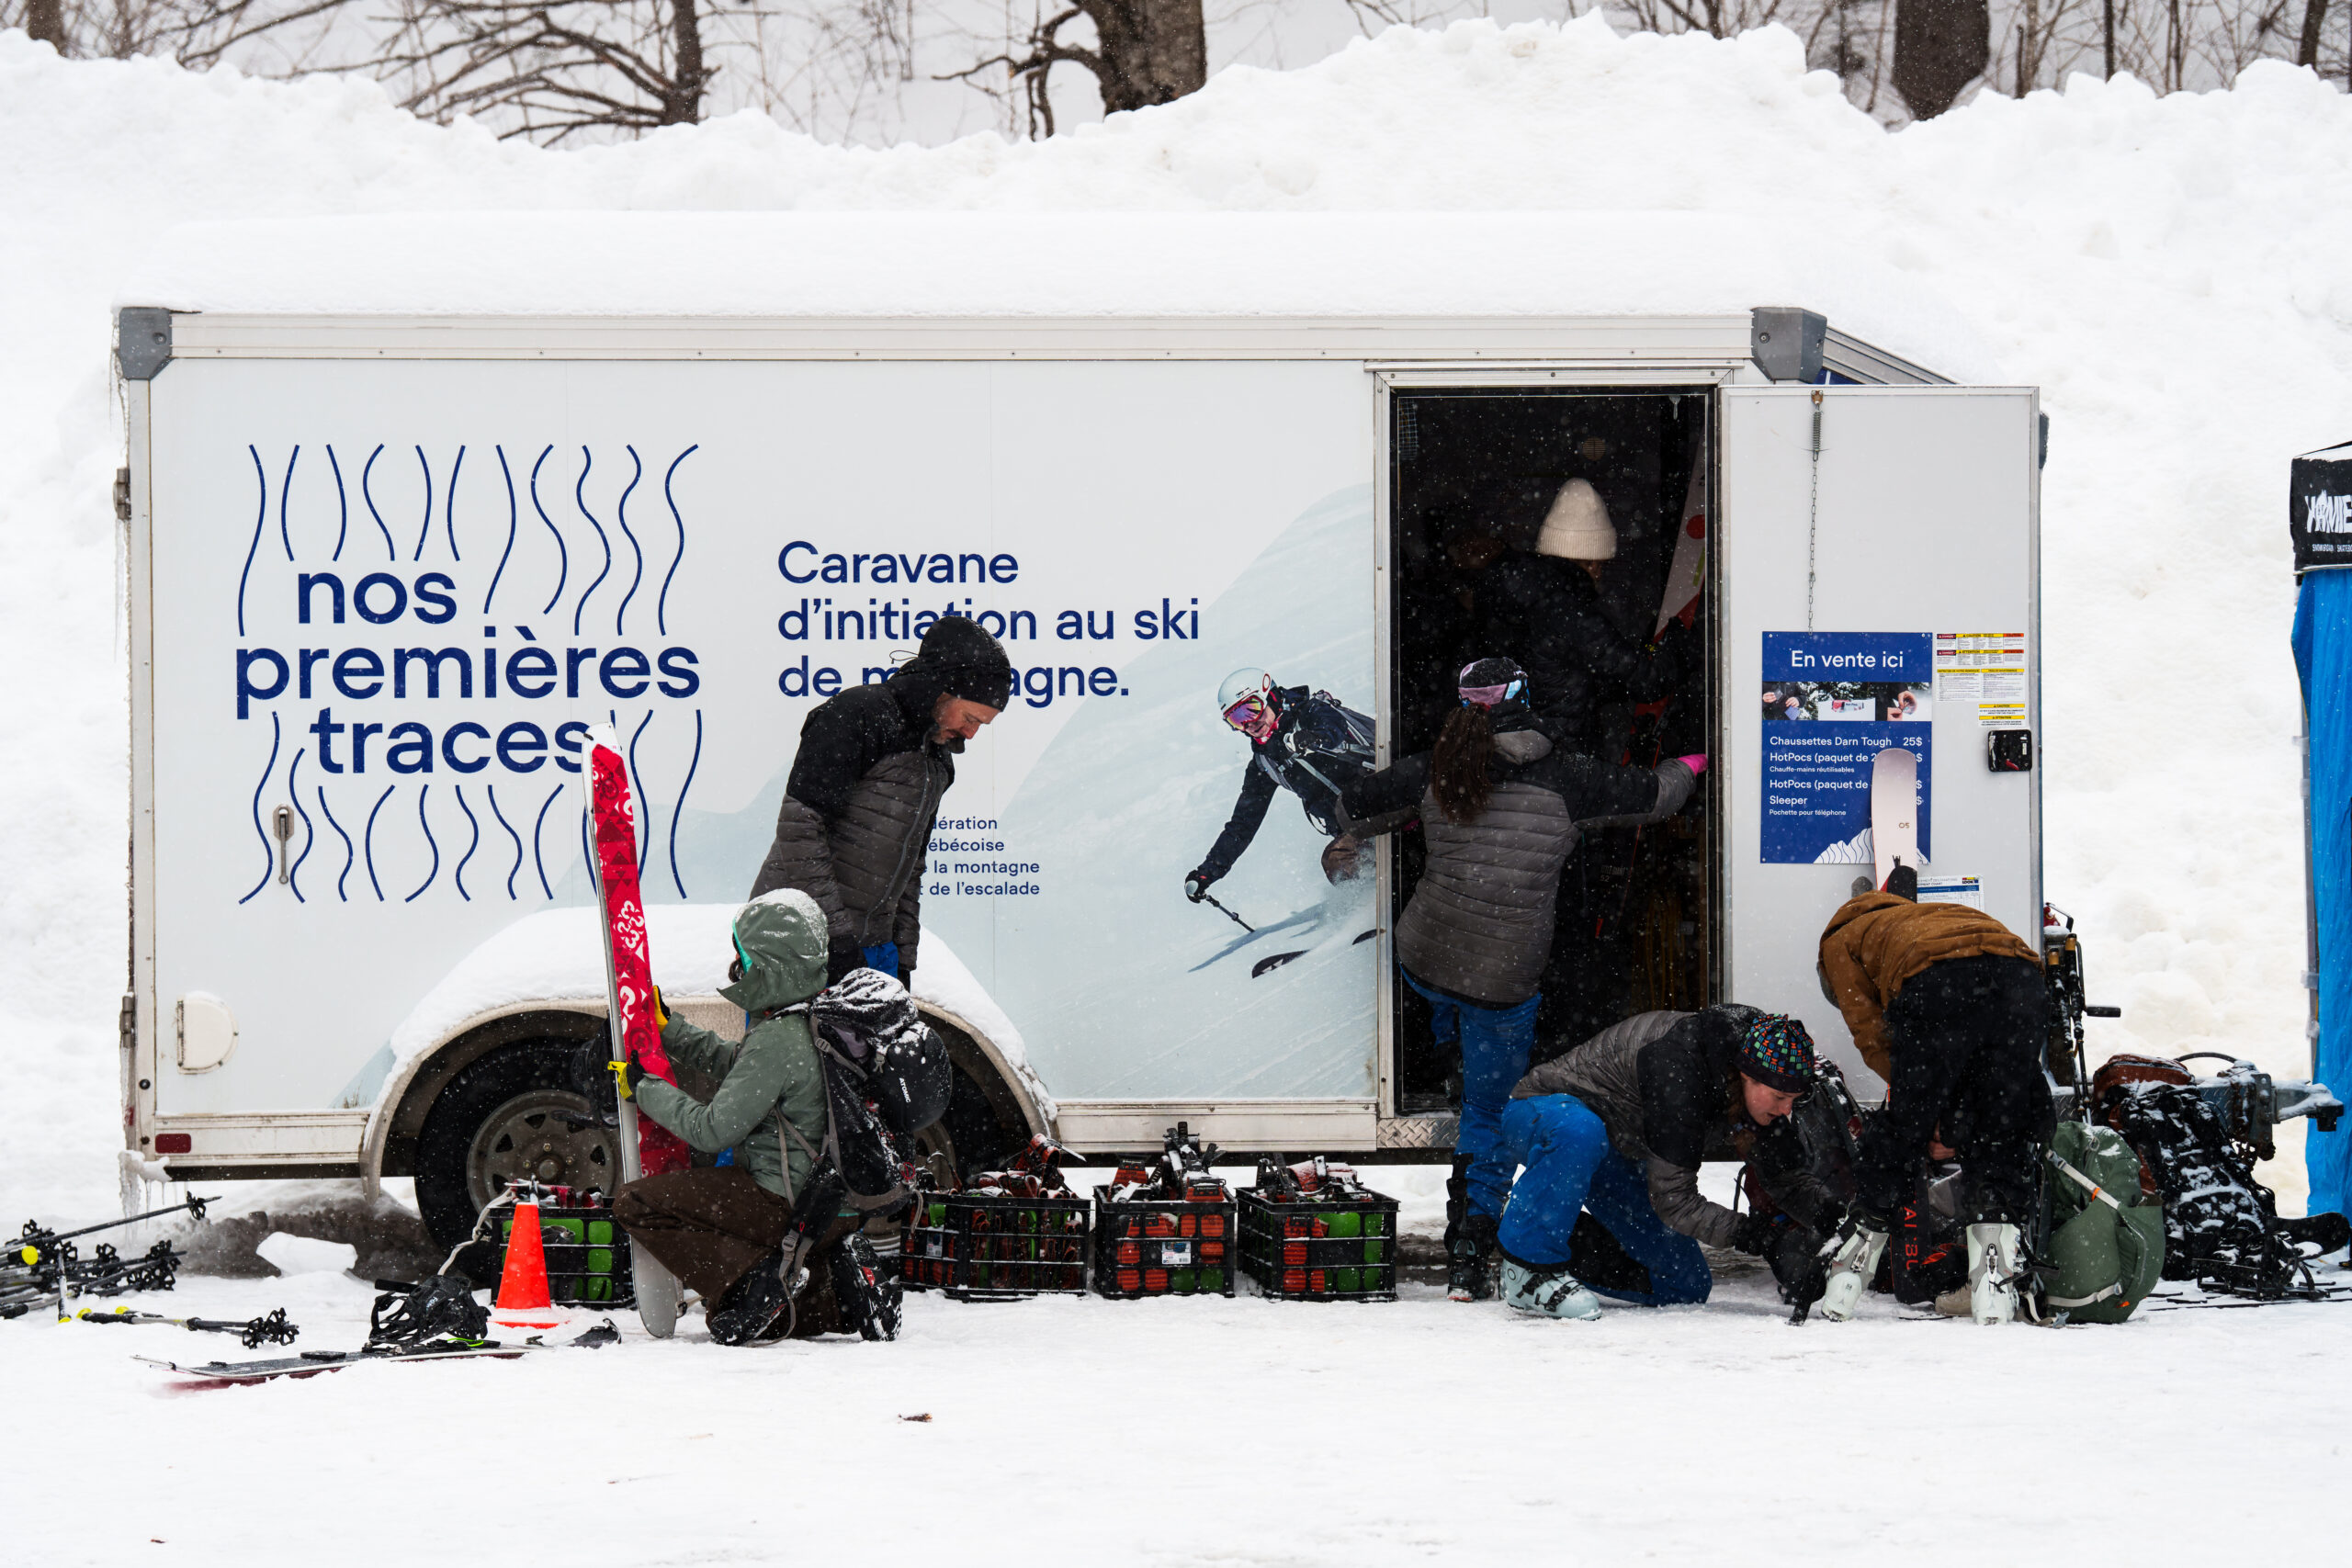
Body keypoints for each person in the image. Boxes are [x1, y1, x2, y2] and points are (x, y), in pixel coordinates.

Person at [1338, 656, 1703, 1300]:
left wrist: (1414, 813)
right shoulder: (1569, 776)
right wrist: (1694, 761)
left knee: (1442, 995)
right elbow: (1656, 796)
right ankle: (1470, 1246)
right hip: (1500, 979)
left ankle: (1448, 1047)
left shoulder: (1435, 767)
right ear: (1525, 697)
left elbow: (1351, 805)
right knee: (1486, 1110)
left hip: (1425, 952)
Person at [611, 889, 893, 1343]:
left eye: (744, 958)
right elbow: (744, 1068)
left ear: (770, 964)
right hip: (833, 1205)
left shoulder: (778, 1037)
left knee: (636, 1203)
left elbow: (710, 1131)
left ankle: (755, 1287)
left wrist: (642, 1088)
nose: (738, 969)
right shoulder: (816, 1018)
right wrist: (671, 1030)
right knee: (759, 1301)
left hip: (785, 1203)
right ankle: (833, 1294)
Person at [1806, 881, 2052, 1325]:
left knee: (1898, 1138)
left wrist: (1922, 1109)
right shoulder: (1915, 917)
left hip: (1939, 983)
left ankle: (1847, 1278)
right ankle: (1993, 1288)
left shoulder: (1836, 943)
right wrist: (1960, 1114)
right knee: (2000, 1127)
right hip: (2022, 980)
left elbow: (1872, 1037)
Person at [1492, 1008, 1835, 1318]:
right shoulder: (1681, 1070)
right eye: (1780, 1097)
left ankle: (1528, 1218)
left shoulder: (1758, 1075)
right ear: (1748, 1076)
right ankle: (1528, 1267)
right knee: (1582, 1131)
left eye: (1793, 1099)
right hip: (1541, 1111)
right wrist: (1757, 1237)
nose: (1786, 1110)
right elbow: (1674, 1200)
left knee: (1684, 1283)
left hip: (1613, 1151)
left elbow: (1787, 1179)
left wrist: (1834, 1218)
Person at [751, 615, 1012, 986]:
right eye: (970, 718)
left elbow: (911, 864)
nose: (970, 733)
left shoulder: (937, 758)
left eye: (981, 725)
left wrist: (902, 958)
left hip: (872, 947)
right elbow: (801, 831)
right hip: (793, 940)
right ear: (939, 690)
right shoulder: (856, 715)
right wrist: (835, 937)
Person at [1478, 479, 1694, 755]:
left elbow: (1554, 676)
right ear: (1591, 561)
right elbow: (1649, 682)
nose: (1600, 574)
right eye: (1601, 565)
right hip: (1560, 758)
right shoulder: (1570, 614)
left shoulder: (1509, 599)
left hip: (1505, 753)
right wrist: (1680, 646)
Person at [1184, 670, 1378, 902]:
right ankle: (1375, 900)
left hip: (1384, 794)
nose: (1249, 723)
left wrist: (1314, 738)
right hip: (1357, 830)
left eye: (1251, 709)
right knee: (1337, 861)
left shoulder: (1310, 711)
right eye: (1236, 719)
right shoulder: (1265, 764)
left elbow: (1333, 726)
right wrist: (1207, 873)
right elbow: (1242, 825)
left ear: (1270, 695)